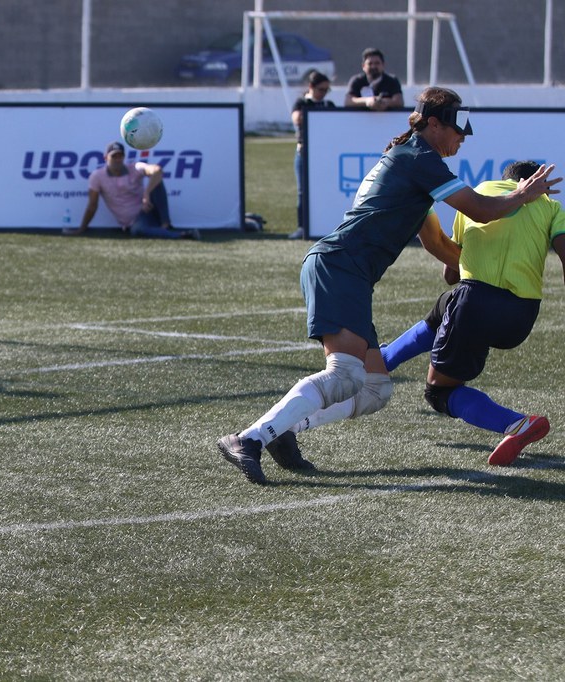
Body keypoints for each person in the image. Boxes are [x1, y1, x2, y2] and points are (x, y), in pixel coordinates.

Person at [215, 87, 560, 485]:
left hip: (350, 274)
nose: (462, 138)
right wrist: (523, 193)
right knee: (344, 374)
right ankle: (251, 438)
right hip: (339, 266)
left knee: (375, 388)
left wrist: (476, 279)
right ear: (433, 124)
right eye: (457, 129)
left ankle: (283, 428)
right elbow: (481, 211)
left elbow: (436, 244)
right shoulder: (420, 159)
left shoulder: (414, 161)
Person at [381, 161, 565, 466]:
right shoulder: (552, 207)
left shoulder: (480, 194)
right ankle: (385, 358)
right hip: (521, 317)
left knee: (439, 393)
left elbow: (451, 275)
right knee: (446, 305)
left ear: (506, 180)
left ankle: (516, 423)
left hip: (476, 302)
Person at [63, 141, 198, 239]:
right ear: (105, 158)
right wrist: (82, 228)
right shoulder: (97, 176)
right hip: (134, 221)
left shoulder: (135, 167)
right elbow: (92, 205)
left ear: (124, 157)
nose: (117, 159)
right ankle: (181, 235)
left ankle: (166, 224)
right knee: (137, 230)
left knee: (157, 180)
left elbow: (157, 170)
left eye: (120, 156)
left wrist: (146, 194)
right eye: (113, 156)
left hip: (149, 209)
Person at [289, 69, 336, 240]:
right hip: (304, 152)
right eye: (321, 90)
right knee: (302, 191)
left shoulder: (328, 106)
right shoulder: (301, 103)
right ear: (311, 87)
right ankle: (302, 226)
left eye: (326, 90)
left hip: (323, 154)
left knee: (324, 189)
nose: (323, 94)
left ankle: (324, 223)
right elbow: (296, 119)